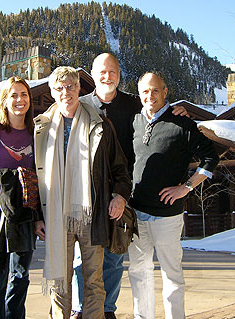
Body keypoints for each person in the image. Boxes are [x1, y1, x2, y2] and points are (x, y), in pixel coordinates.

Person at [72, 53, 188, 319]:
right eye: (102, 71)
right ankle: (81, 308)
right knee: (83, 257)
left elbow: (155, 111)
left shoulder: (133, 105)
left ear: (119, 74)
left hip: (122, 194)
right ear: (92, 73)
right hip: (87, 194)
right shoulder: (81, 105)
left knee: (114, 255)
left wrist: (176, 110)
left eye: (113, 71)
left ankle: (108, 309)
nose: (107, 76)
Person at [33, 66, 131, 319]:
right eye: (60, 88)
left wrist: (119, 196)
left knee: (94, 280)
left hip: (91, 213)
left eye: (71, 86)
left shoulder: (100, 124)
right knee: (59, 281)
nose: (66, 92)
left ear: (79, 88)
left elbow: (120, 167)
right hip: (56, 215)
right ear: (53, 92)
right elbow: (36, 177)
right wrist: (37, 217)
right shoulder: (42, 128)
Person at [128, 72, 219, 319]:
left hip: (167, 217)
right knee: (139, 273)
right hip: (135, 213)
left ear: (165, 91)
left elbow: (211, 158)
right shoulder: (134, 121)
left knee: (172, 276)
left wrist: (186, 187)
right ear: (139, 94)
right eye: (145, 91)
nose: (150, 96)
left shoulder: (183, 125)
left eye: (155, 90)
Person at [0, 76, 40, 319]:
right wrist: (11, 177)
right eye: (13, 95)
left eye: (24, 94)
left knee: (21, 276)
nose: (19, 100)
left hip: (25, 212)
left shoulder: (35, 131)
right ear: (4, 101)